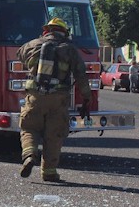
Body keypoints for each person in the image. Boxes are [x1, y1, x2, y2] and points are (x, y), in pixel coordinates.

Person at [16, 18, 92, 183]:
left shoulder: (31, 45)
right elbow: (81, 76)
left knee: (29, 129)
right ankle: (49, 172)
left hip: (35, 97)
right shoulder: (70, 49)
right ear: (64, 32)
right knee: (54, 135)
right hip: (58, 99)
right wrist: (87, 98)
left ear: (46, 31)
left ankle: (29, 155)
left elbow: (20, 55)